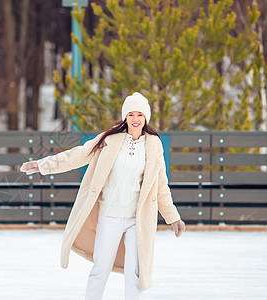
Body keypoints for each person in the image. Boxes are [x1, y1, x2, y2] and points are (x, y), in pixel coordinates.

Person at [20, 92, 186, 299]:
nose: (135, 119)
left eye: (140, 115)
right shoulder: (110, 140)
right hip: (110, 216)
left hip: (137, 220)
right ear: (125, 117)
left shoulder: (153, 145)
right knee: (100, 269)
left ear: (146, 119)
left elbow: (161, 185)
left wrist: (173, 217)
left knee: (135, 273)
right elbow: (78, 155)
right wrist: (42, 165)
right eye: (131, 114)